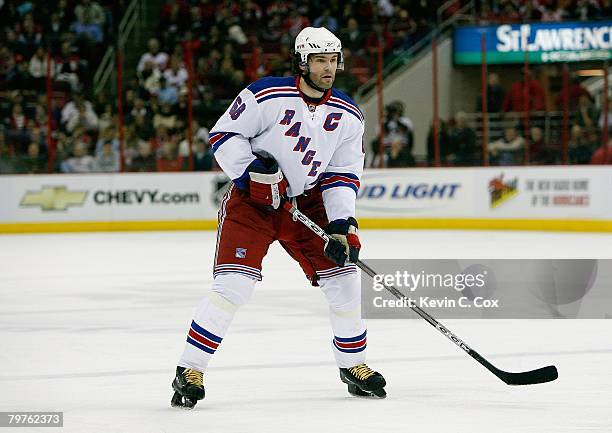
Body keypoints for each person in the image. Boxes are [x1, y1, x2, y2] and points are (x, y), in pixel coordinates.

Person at [171, 26, 386, 409]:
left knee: (346, 282)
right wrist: (251, 171)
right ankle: (190, 368)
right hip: (251, 206)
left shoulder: (349, 114)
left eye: (333, 60)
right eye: (319, 60)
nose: (328, 68)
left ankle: (354, 366)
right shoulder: (265, 95)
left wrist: (342, 225)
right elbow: (224, 135)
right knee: (234, 287)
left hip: (308, 205)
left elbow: (342, 173)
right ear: (301, 62)